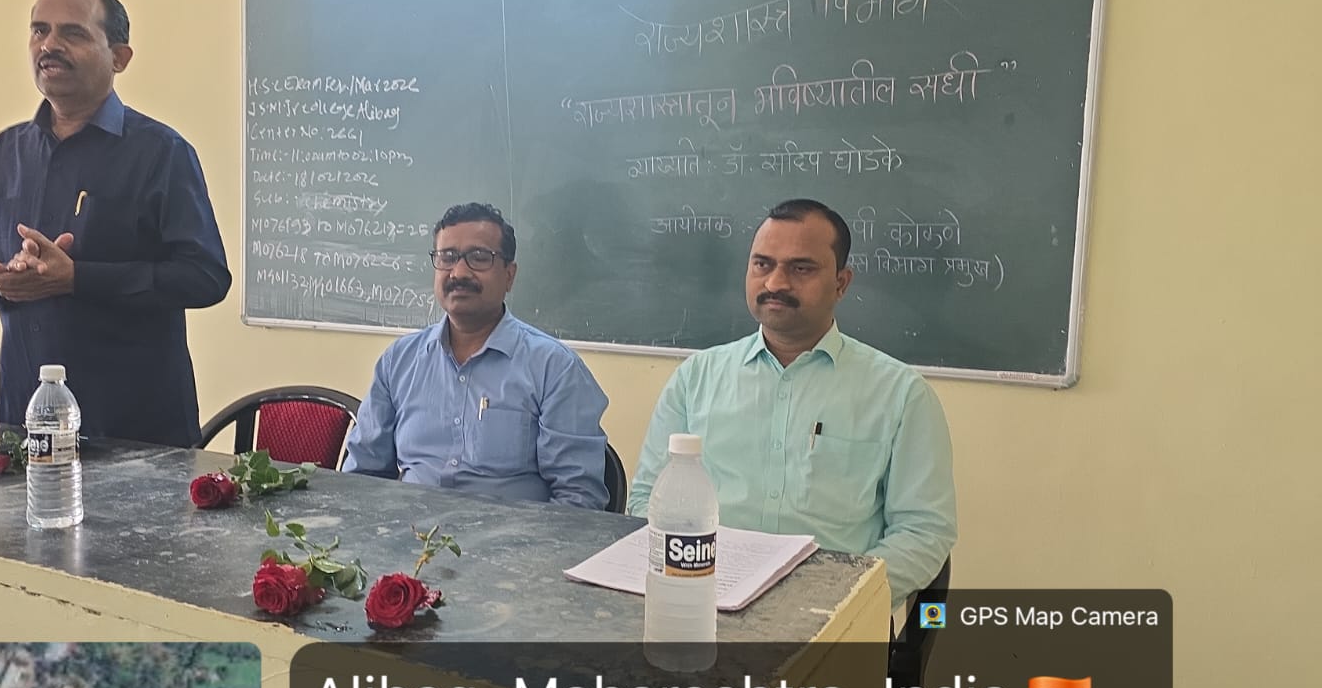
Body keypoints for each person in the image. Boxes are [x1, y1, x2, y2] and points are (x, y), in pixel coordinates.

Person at [0, 0, 231, 447]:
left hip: (139, 436)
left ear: (119, 57)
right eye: (39, 30)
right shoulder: (5, 152)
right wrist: (0, 283)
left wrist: (77, 278)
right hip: (26, 429)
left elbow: (206, 276)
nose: (49, 45)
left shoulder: (161, 152)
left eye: (72, 33)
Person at [629, 198, 955, 606]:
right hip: (701, 601)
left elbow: (924, 532)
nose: (775, 283)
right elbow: (645, 501)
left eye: (801, 268)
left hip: (832, 613)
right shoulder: (696, 378)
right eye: (762, 264)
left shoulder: (901, 394)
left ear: (841, 283)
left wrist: (835, 595)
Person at [343, 202, 610, 509]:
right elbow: (362, 477)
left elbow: (579, 500)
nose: (459, 272)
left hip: (514, 536)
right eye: (447, 257)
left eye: (479, 258)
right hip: (409, 532)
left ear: (509, 275)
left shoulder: (554, 368)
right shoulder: (399, 361)